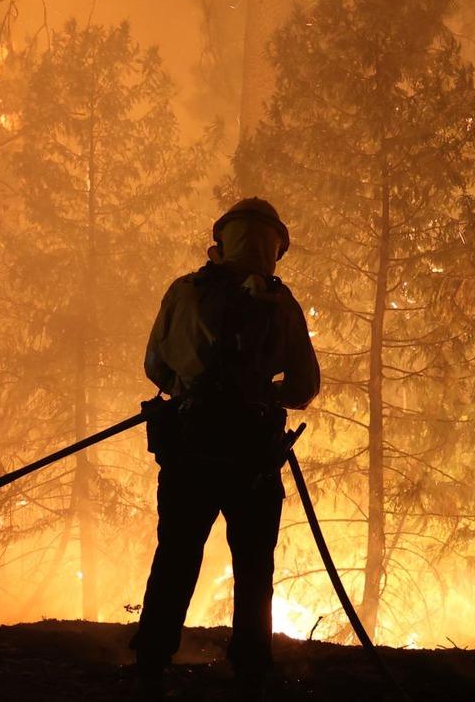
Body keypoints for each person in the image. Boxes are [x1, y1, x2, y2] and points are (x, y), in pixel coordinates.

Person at [130, 196, 320, 697]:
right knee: (254, 565)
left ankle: (151, 657)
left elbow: (156, 367)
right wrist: (264, 395)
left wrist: (192, 389)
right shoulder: (281, 305)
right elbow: (304, 387)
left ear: (222, 239)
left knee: (176, 554)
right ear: (274, 247)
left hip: (190, 449)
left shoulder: (185, 293)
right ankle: (252, 667)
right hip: (254, 458)